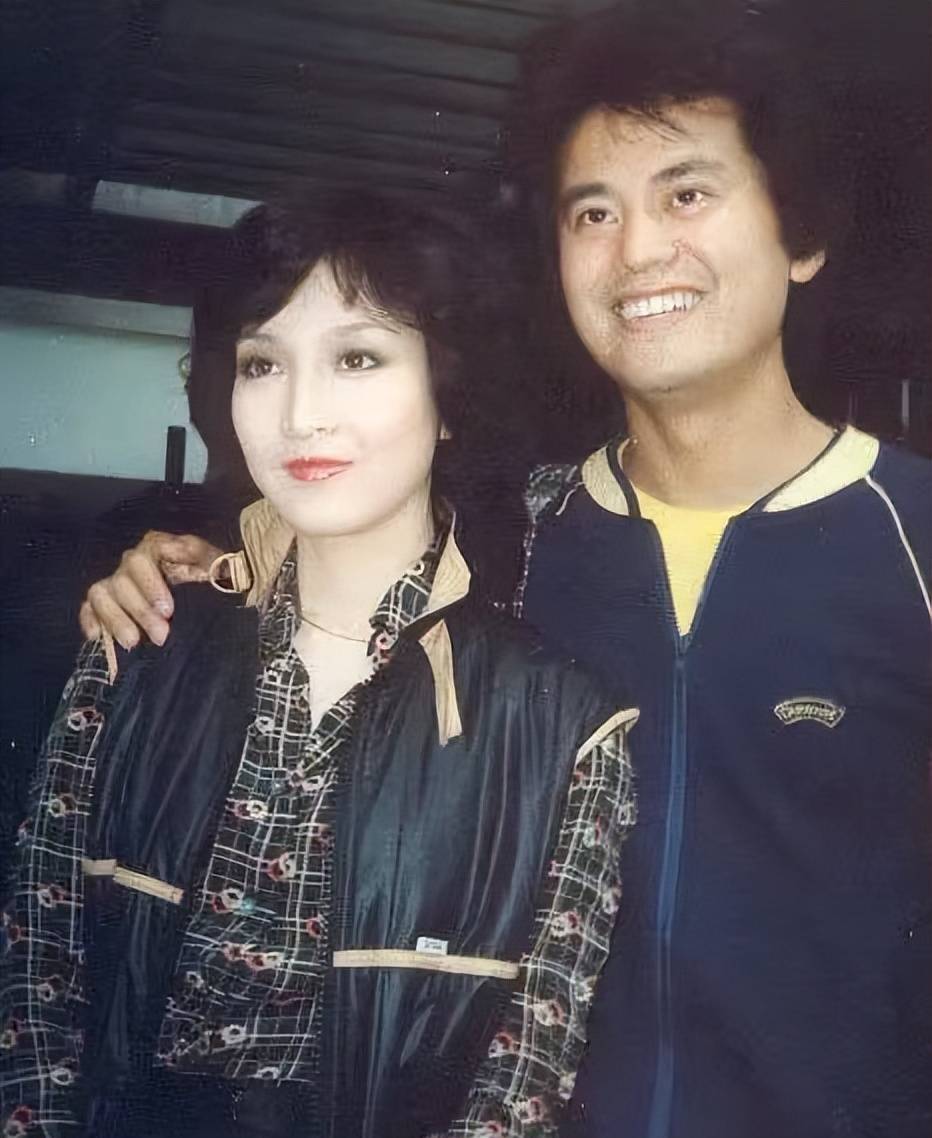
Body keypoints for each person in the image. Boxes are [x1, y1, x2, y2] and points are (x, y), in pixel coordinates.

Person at [68, 3, 932, 1136]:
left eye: (686, 193)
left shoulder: (914, 540)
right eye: (592, 211)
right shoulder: (510, 534)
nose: (637, 250)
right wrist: (191, 571)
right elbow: (326, 588)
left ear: (800, 232)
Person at [0, 194, 639, 1138]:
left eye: (358, 358)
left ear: (450, 397)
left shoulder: (564, 727)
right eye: (262, 364)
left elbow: (520, 1082)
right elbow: (34, 992)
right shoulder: (137, 648)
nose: (301, 414)